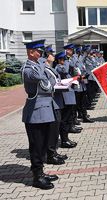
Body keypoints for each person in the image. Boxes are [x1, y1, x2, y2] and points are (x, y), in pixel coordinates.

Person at [21, 39, 59, 189]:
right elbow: (40, 78)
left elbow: (52, 81)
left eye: (42, 51)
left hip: (46, 110)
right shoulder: (27, 68)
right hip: (35, 113)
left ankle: (41, 172)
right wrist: (44, 66)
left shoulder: (39, 65)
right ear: (31, 52)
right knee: (36, 146)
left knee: (44, 144)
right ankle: (37, 177)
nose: (42, 54)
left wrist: (43, 66)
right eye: (39, 51)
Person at [39, 45, 67, 165]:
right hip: (50, 102)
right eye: (51, 53)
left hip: (55, 101)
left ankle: (53, 152)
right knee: (52, 129)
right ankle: (50, 155)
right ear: (46, 56)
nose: (53, 55)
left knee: (55, 129)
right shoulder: (43, 68)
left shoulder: (50, 68)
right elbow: (47, 85)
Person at [55, 51, 79, 148]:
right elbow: (65, 71)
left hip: (69, 96)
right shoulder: (59, 67)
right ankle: (64, 140)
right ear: (59, 60)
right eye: (63, 60)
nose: (65, 62)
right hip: (65, 97)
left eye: (65, 60)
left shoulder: (63, 66)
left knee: (68, 118)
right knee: (64, 120)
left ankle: (66, 139)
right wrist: (68, 62)